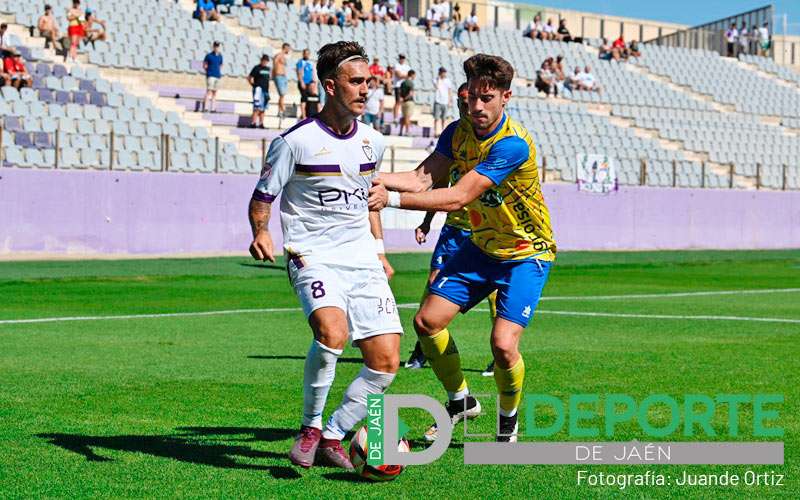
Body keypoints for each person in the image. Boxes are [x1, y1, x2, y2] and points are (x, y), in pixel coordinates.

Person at [368, 53, 556, 443]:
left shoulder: (513, 146)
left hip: (526, 253)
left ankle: (509, 418)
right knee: (426, 322)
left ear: (506, 98)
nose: (476, 106)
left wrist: (391, 201)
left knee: (503, 346)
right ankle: (462, 402)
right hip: (481, 246)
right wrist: (367, 172)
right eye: (471, 97)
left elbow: (456, 197)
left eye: (486, 99)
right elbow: (422, 178)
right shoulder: (456, 132)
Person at [249, 40, 401, 470]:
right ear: (331, 86)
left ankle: (335, 434)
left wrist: (379, 250)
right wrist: (261, 232)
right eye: (356, 82)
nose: (365, 90)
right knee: (332, 333)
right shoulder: (293, 142)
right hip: (311, 254)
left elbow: (369, 201)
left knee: (386, 360)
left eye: (368, 82)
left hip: (362, 260)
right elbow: (262, 198)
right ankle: (311, 426)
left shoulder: (374, 141)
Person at [404, 82, 497, 376]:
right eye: (461, 102)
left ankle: (500, 356)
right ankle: (422, 348)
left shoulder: (491, 138)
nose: (466, 106)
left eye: (468, 101)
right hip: (454, 229)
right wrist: (428, 221)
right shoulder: (454, 136)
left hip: (485, 230)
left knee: (496, 294)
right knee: (434, 284)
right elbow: (438, 183)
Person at [248, 54, 271, 128]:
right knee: (257, 107)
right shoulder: (257, 68)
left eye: (266, 61)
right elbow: (249, 77)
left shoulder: (268, 69)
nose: (265, 62)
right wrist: (253, 85)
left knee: (263, 108)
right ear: (261, 60)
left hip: (265, 90)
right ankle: (253, 122)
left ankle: (261, 123)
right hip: (258, 90)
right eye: (264, 60)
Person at [203, 41, 223, 113]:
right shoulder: (209, 55)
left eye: (217, 46)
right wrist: (209, 72)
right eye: (215, 46)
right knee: (209, 91)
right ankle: (205, 108)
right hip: (211, 75)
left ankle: (213, 108)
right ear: (213, 47)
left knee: (215, 93)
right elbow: (205, 65)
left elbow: (221, 65)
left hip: (217, 76)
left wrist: (218, 71)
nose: (216, 48)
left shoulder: (220, 56)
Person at [432, 67, 453, 137]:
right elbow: (436, 86)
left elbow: (449, 91)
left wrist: (450, 101)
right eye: (442, 72)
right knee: (436, 118)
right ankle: (435, 132)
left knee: (444, 118)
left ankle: (443, 132)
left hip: (445, 101)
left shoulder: (448, 81)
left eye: (444, 72)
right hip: (438, 100)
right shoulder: (435, 80)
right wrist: (439, 78)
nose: (444, 74)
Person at [296, 48, 316, 119]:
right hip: (304, 82)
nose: (307, 55)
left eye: (308, 53)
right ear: (303, 54)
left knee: (309, 99)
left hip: (310, 83)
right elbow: (299, 72)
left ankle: (305, 113)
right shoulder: (300, 62)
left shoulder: (310, 63)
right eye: (305, 53)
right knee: (304, 98)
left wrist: (314, 81)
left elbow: (312, 72)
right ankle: (303, 115)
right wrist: (301, 82)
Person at [272, 43, 290, 118]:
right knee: (282, 94)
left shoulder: (283, 56)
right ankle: (282, 110)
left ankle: (280, 111)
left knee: (282, 95)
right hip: (279, 76)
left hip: (283, 76)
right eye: (288, 48)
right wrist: (274, 74)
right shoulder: (279, 55)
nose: (289, 50)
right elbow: (275, 63)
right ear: (285, 48)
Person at [391, 54, 410, 123]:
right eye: (401, 58)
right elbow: (399, 75)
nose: (402, 59)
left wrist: (403, 75)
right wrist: (406, 75)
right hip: (398, 86)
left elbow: (409, 75)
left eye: (403, 58)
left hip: (405, 86)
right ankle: (395, 117)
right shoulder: (396, 65)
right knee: (398, 102)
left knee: (404, 102)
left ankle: (402, 116)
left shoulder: (407, 66)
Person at [398, 69, 415, 136]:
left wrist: (402, 99)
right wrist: (406, 98)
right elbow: (411, 93)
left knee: (403, 117)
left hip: (403, 102)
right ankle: (407, 131)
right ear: (412, 75)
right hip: (409, 101)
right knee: (407, 117)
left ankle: (401, 131)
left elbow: (399, 92)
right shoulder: (410, 83)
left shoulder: (403, 82)